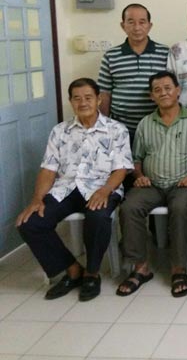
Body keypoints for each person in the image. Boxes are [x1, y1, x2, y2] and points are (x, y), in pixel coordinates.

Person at [16, 78, 133, 301]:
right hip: (66, 188)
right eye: (77, 98)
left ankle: (92, 272)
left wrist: (105, 190)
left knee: (98, 217)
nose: (83, 102)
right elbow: (48, 169)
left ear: (99, 99)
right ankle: (71, 269)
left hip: (102, 187)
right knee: (29, 222)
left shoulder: (116, 130)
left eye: (88, 97)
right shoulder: (60, 131)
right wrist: (37, 198)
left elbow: (121, 169)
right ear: (70, 102)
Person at [116, 71, 187, 298]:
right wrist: (139, 175)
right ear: (151, 96)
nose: (164, 93)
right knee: (129, 207)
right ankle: (140, 267)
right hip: (151, 185)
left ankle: (178, 269)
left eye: (168, 88)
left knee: (181, 207)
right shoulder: (145, 123)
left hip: (183, 184)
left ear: (178, 91)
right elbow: (136, 158)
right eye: (158, 90)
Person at [98, 3, 169, 139]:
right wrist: (103, 125)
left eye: (142, 22)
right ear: (123, 25)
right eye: (131, 22)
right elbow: (104, 94)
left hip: (156, 127)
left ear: (150, 25)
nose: (137, 28)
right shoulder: (111, 55)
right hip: (120, 128)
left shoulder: (165, 53)